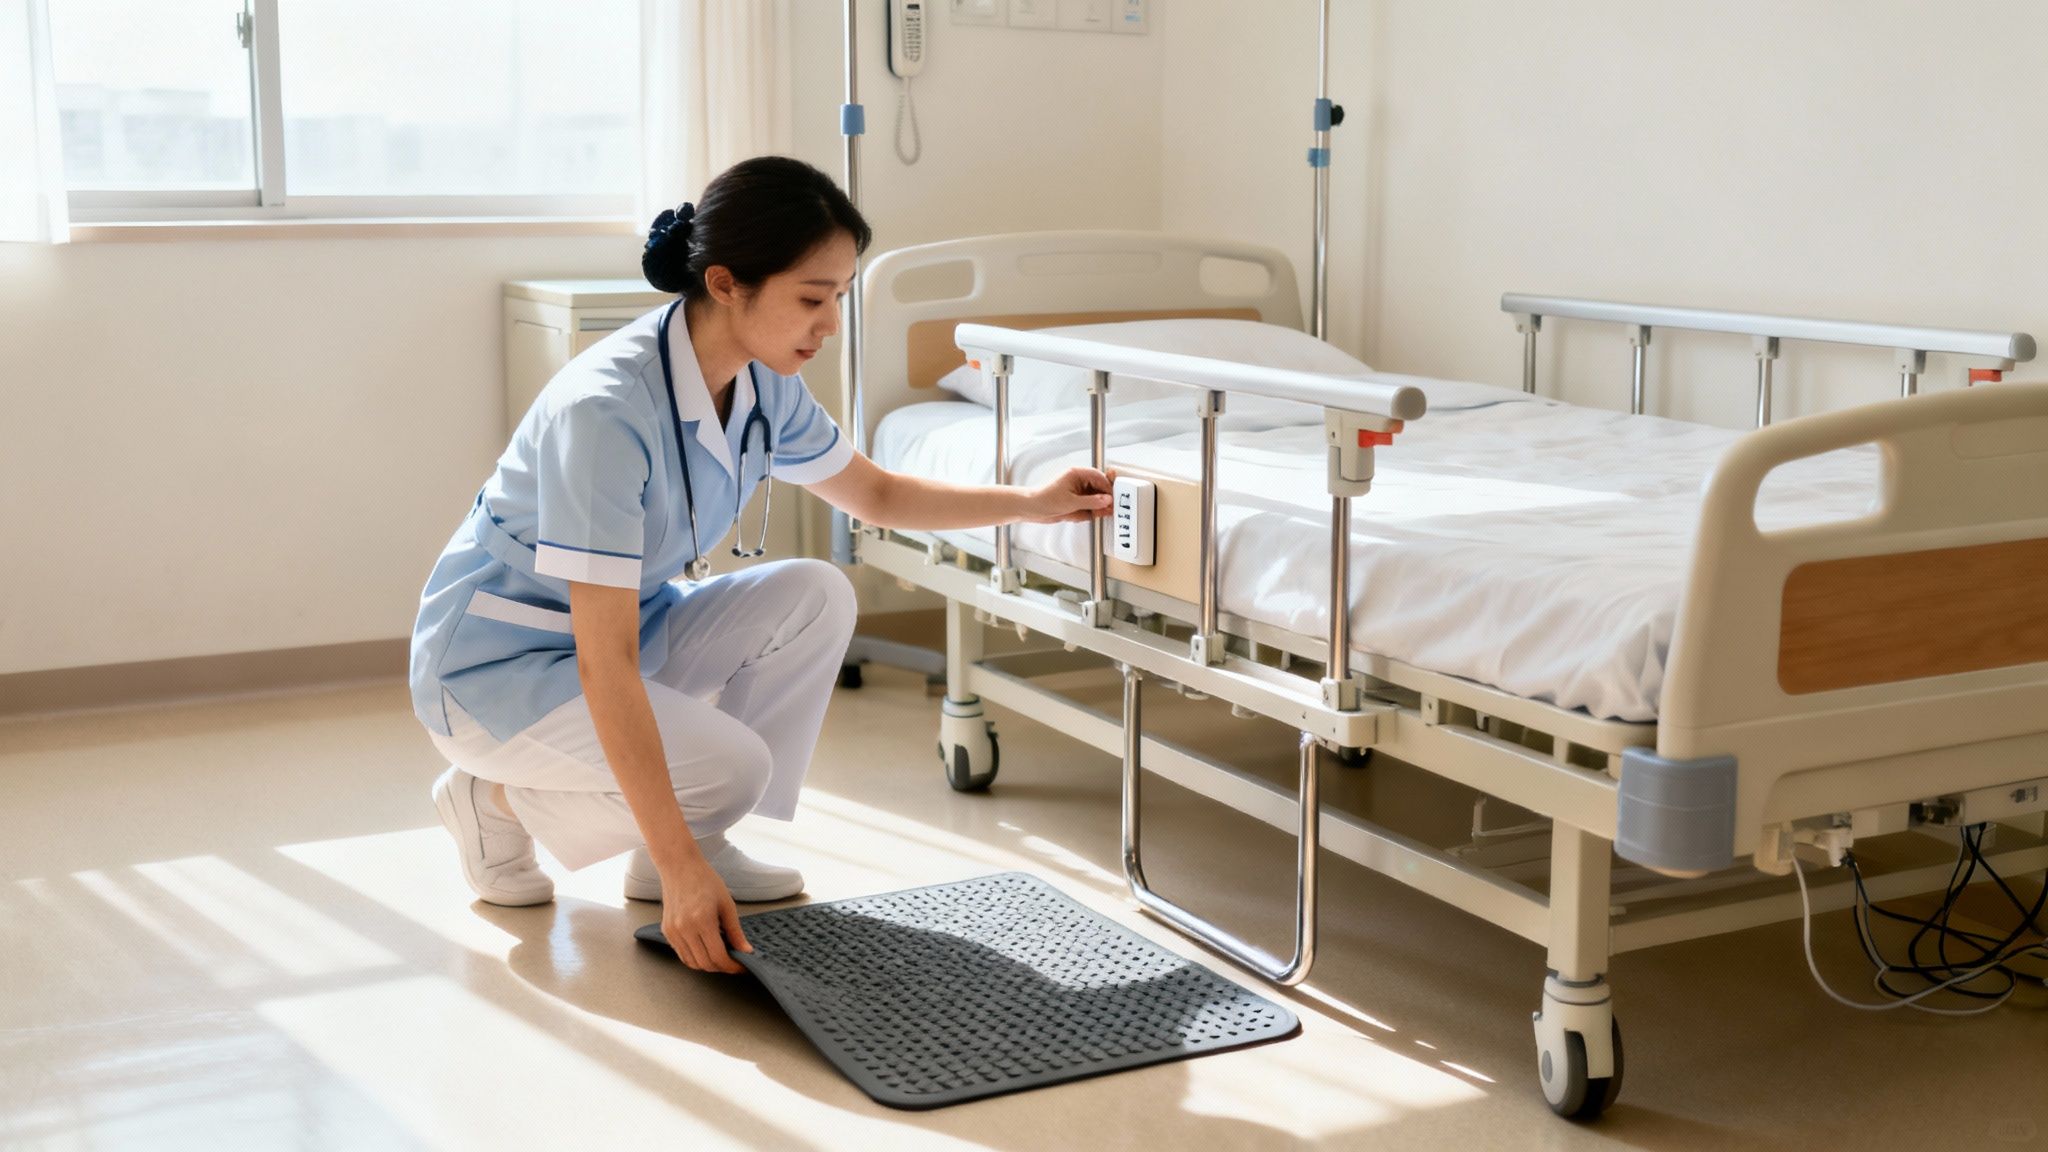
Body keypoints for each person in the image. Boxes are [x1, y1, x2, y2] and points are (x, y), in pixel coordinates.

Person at [408, 156, 1112, 975]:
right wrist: (682, 877)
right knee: (733, 768)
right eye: (812, 298)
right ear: (727, 283)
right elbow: (606, 665)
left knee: (816, 592)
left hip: (617, 629)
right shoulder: (604, 412)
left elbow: (876, 496)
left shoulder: (760, 380)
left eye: (839, 297)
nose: (831, 324)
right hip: (493, 668)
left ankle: (691, 832)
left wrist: (1031, 503)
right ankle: (492, 801)